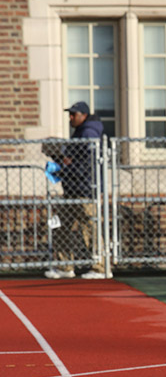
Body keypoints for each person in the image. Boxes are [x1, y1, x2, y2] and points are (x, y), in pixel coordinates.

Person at [43, 101, 108, 279]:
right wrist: (61, 158)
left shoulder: (88, 133)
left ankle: (100, 267)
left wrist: (64, 168)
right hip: (72, 189)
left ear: (84, 115)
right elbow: (72, 160)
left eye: (74, 114)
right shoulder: (79, 132)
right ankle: (65, 267)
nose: (70, 118)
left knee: (90, 227)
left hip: (85, 190)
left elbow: (85, 164)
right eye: (70, 114)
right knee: (60, 225)